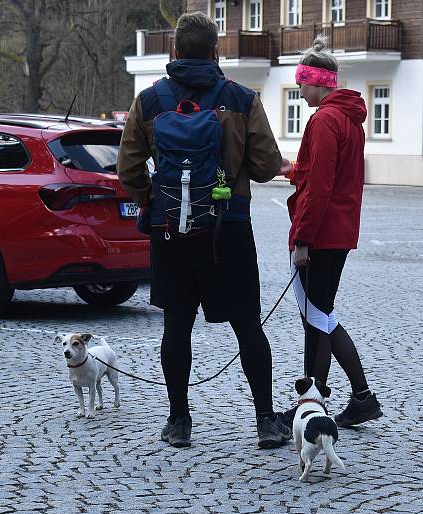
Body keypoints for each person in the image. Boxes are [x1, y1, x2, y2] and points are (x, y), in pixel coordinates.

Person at [117, 12, 293, 449]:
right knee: (248, 325)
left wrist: (148, 200)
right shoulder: (241, 98)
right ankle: (267, 421)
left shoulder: (150, 101)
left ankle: (179, 422)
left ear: (174, 50)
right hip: (228, 226)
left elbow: (128, 169)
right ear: (216, 51)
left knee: (176, 326)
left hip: (171, 228)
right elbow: (269, 166)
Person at [282, 35, 382, 428]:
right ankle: (349, 398)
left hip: (322, 234)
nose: (299, 90)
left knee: (318, 317)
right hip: (339, 230)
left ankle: (330, 400)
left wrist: (303, 238)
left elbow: (321, 187)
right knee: (319, 316)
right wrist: (291, 169)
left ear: (318, 82)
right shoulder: (347, 118)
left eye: (302, 83)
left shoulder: (323, 119)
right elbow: (326, 175)